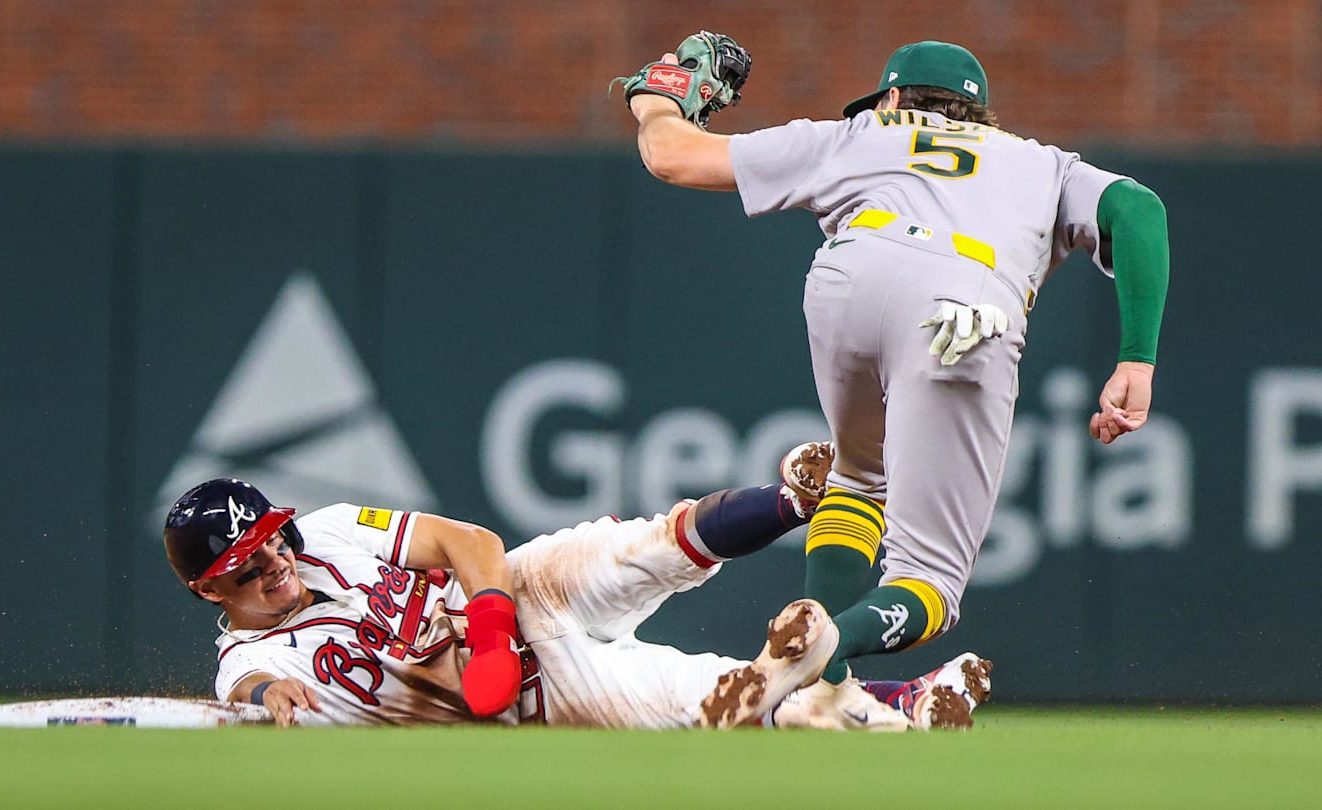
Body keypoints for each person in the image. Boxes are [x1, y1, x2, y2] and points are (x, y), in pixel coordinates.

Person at [621, 38, 1169, 684]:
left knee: (857, 477)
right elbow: (1138, 209)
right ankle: (825, 645)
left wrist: (654, 99)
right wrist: (1137, 358)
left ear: (892, 98)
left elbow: (674, 157)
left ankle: (812, 682)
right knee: (930, 580)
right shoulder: (1043, 164)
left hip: (848, 275)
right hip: (966, 300)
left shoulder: (859, 133)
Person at [162, 451, 986, 731]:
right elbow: (254, 686)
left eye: (271, 537)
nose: (271, 562)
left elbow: (467, 543)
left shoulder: (333, 531)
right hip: (543, 696)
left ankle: (795, 501)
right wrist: (273, 699)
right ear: (209, 591)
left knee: (645, 547)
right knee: (715, 699)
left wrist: (488, 625)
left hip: (516, 598)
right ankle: (899, 706)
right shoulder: (250, 655)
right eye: (245, 563)